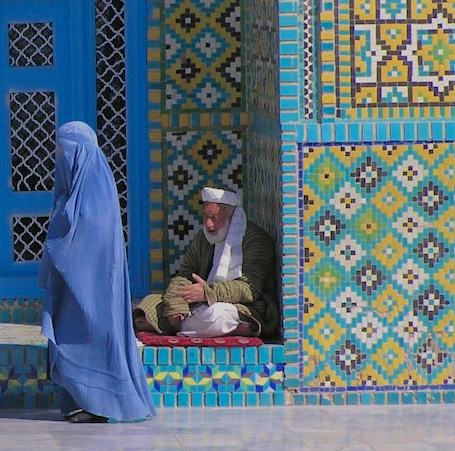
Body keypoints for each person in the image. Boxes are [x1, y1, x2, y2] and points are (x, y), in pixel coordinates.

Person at [39, 121, 156, 424]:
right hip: (73, 292)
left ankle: (99, 405)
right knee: (69, 343)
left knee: (86, 341)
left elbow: (76, 246)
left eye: (64, 152)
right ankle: (81, 403)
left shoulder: (94, 199)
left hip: (93, 293)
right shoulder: (78, 192)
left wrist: (57, 236)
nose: (60, 158)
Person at [133, 186, 280, 338]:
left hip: (244, 308)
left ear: (232, 216)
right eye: (206, 217)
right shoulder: (203, 238)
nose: (209, 224)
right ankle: (196, 326)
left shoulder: (256, 240)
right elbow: (185, 274)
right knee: (149, 306)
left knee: (217, 315)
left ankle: (199, 327)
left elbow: (249, 290)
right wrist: (176, 306)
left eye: (214, 218)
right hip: (200, 304)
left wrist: (207, 292)